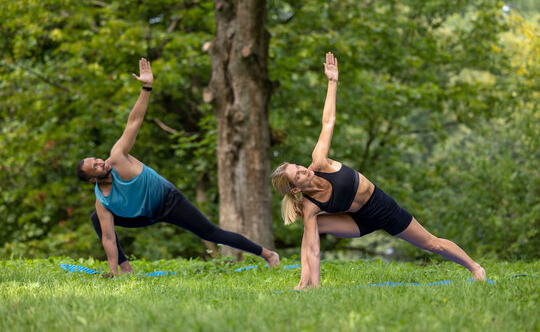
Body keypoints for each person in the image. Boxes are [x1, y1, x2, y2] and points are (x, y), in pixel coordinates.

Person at [271, 52, 485, 290]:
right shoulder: (310, 206)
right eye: (298, 174)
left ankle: (476, 268)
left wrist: (332, 82)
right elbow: (313, 248)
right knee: (312, 228)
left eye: (299, 167)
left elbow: (328, 122)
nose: (304, 170)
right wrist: (318, 287)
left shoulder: (319, 162)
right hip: (356, 221)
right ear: (296, 188)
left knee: (431, 243)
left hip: (381, 207)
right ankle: (307, 283)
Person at [77, 58, 279, 276]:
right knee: (97, 218)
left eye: (97, 159)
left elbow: (134, 121)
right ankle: (124, 269)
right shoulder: (102, 200)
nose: (101, 162)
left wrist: (147, 87)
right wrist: (112, 270)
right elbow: (108, 237)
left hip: (168, 200)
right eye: (96, 167)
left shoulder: (117, 158)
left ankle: (268, 254)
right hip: (144, 213)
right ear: (92, 179)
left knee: (211, 232)